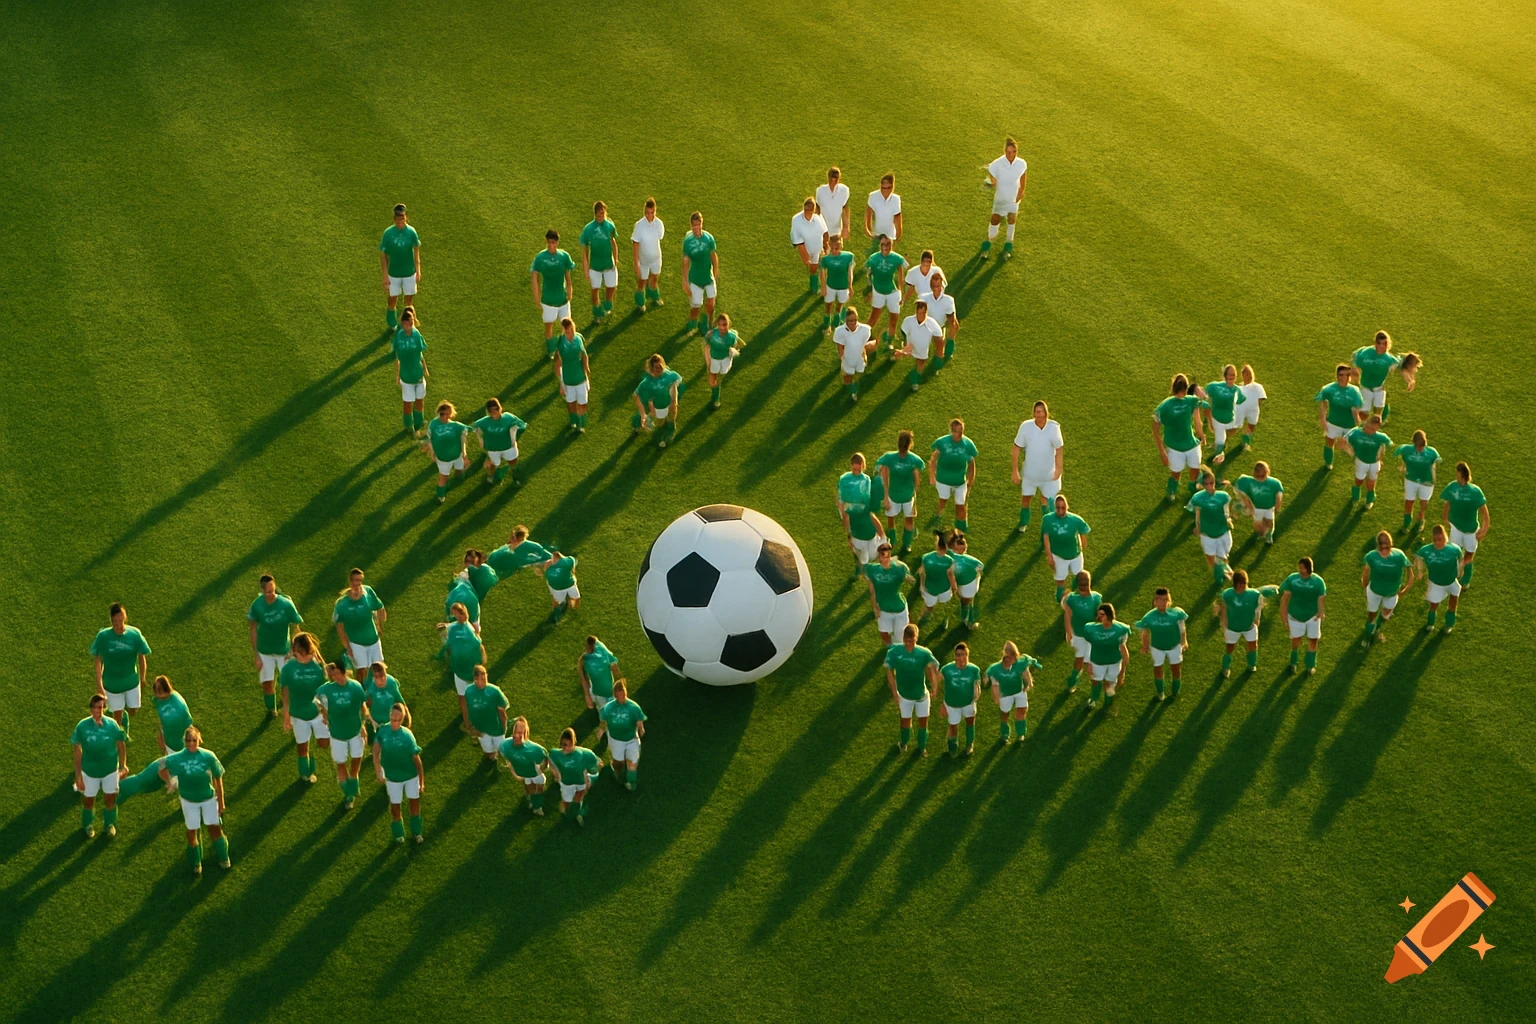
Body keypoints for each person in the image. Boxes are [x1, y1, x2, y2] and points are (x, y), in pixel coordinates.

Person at [163, 727, 228, 873]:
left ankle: (224, 857)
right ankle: (196, 863)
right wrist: (168, 781)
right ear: (184, 742)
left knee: (214, 829)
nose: (191, 744)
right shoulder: (178, 757)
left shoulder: (208, 756)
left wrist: (221, 802)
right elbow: (161, 765)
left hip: (208, 799)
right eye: (188, 741)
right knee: (191, 832)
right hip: (189, 801)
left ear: (199, 740)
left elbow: (218, 779)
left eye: (194, 740)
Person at [90, 602, 150, 741]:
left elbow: (142, 655)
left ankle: (125, 717)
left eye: (121, 621)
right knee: (117, 715)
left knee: (133, 710)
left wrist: (142, 677)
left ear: (125, 618)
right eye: (115, 622)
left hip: (131, 681)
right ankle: (121, 734)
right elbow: (97, 658)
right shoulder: (103, 637)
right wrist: (99, 684)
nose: (118, 625)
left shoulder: (134, 634)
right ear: (111, 621)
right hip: (112, 684)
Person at [73, 694, 127, 839]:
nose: (100, 710)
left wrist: (123, 765)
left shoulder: (112, 725)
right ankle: (88, 824)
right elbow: (77, 751)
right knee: (88, 800)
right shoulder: (82, 727)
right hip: (90, 772)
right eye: (97, 707)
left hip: (110, 770)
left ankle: (109, 824)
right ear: (91, 709)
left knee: (110, 799)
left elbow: (121, 744)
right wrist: (78, 776)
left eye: (102, 707)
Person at [247, 574, 302, 717]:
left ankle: (289, 706)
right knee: (267, 683)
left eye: (272, 591)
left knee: (288, 682)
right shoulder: (257, 605)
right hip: (264, 650)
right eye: (267, 592)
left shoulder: (286, 604)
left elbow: (296, 625)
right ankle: (272, 709)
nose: (271, 594)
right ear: (262, 590)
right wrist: (257, 656)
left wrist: (293, 650)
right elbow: (252, 628)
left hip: (284, 650)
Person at [279, 632, 330, 783]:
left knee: (324, 744)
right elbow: (285, 690)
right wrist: (286, 714)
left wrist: (326, 711)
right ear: (295, 652)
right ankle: (305, 772)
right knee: (302, 747)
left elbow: (324, 690)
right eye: (303, 655)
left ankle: (311, 760)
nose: (307, 658)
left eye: (309, 655)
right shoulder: (288, 668)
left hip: (317, 712)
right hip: (298, 713)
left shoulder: (319, 667)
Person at [317, 662, 367, 809]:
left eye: (338, 674)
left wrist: (363, 724)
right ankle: (348, 794)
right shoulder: (326, 689)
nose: (336, 677)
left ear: (345, 672)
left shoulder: (355, 687)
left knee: (357, 760)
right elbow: (317, 701)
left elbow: (363, 707)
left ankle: (353, 778)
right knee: (340, 763)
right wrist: (323, 713)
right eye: (333, 675)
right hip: (337, 733)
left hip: (355, 730)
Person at [885, 623, 940, 755]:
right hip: (904, 695)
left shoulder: (924, 653)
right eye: (906, 640)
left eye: (911, 640)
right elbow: (889, 672)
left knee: (923, 722)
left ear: (916, 638)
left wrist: (934, 685)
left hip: (921, 695)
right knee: (905, 720)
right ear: (903, 638)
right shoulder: (894, 652)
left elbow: (931, 669)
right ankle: (904, 743)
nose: (908, 643)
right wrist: (894, 693)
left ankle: (922, 746)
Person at [373, 702, 424, 844]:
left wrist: (421, 781)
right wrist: (378, 771)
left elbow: (417, 760)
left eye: (398, 720)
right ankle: (398, 833)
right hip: (392, 777)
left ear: (402, 720)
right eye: (393, 719)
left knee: (414, 803)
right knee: (395, 806)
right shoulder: (382, 732)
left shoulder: (408, 735)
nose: (395, 722)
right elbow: (376, 752)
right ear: (390, 716)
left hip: (410, 776)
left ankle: (417, 832)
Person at [1153, 374, 1207, 500]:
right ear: (1186, 387)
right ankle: (1176, 489)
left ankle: (1184, 488)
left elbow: (1155, 430)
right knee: (1191, 469)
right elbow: (1207, 403)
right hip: (1181, 446)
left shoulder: (1164, 405)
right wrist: (1201, 392)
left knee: (1182, 472)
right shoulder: (1172, 404)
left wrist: (1162, 452)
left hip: (1181, 446)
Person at [1013, 401, 1065, 532]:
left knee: (1049, 501)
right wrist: (1014, 470)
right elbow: (1016, 449)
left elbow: (1059, 449)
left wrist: (1059, 468)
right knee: (1026, 499)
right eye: (1037, 412)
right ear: (1034, 413)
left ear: (1046, 413)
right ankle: (1023, 523)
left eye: (1042, 412)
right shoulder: (1026, 427)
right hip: (1030, 474)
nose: (1040, 414)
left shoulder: (1054, 428)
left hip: (1049, 474)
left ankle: (1050, 526)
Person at [1352, 330, 1421, 425]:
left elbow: (1403, 369)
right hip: (1365, 387)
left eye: (1384, 344)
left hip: (1379, 388)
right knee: (1364, 414)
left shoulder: (1389, 359)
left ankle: (1372, 429)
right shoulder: (1365, 353)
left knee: (1377, 417)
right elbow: (1355, 355)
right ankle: (1354, 420)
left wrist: (1410, 381)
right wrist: (1355, 368)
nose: (1381, 346)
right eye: (1379, 343)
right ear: (1375, 343)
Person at [1217, 570, 1278, 677]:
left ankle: (1252, 664)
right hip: (1232, 627)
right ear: (1235, 584)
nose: (1241, 586)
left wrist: (1257, 619)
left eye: (1243, 583)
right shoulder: (1227, 594)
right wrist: (1223, 623)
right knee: (1230, 648)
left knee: (1253, 645)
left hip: (1249, 626)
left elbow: (1258, 607)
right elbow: (1223, 609)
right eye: (1239, 583)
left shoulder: (1254, 594)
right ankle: (1226, 667)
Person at [1441, 461, 1489, 589]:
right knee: (1454, 553)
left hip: (1471, 531)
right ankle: (1453, 574)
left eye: (1457, 472)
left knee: (1469, 555)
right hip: (1456, 528)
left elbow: (1485, 514)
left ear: (1461, 474)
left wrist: (1483, 530)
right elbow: (1447, 503)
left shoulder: (1475, 491)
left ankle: (1465, 579)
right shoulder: (1452, 487)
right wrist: (1445, 518)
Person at [438, 601, 485, 732]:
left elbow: (450, 645)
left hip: (462, 668)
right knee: (471, 694)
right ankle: (473, 722)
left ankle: (469, 725)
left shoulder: (463, 630)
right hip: (471, 668)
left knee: (464, 697)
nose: (456, 617)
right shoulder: (469, 628)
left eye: (457, 614)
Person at [876, 430, 925, 554]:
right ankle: (892, 540)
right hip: (894, 495)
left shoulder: (913, 460)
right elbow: (884, 474)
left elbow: (917, 480)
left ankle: (906, 543)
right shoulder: (889, 458)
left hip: (907, 495)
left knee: (908, 519)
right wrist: (886, 496)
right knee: (891, 519)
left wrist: (915, 499)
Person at [1135, 588, 1189, 700]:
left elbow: (1182, 628)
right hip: (1157, 648)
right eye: (1160, 600)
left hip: (1174, 646)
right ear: (1155, 601)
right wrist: (1145, 646)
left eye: (1165, 600)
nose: (1163, 603)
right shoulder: (1149, 617)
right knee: (1157, 669)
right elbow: (1145, 632)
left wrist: (1184, 641)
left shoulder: (1177, 613)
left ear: (1169, 600)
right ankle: (1160, 692)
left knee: (1176, 669)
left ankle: (1175, 692)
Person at [1361, 531, 1412, 647]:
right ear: (1378, 545)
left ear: (1391, 544)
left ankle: (1376, 627)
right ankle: (1368, 635)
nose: (1384, 548)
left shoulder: (1399, 556)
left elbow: (1410, 571)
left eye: (1387, 545)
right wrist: (1365, 587)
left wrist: (1406, 588)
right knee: (1371, 615)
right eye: (1381, 545)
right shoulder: (1371, 556)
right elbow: (1365, 573)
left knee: (1386, 614)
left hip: (1392, 594)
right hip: (1374, 591)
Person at [838, 452, 887, 573]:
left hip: (863, 517)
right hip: (852, 516)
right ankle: (859, 568)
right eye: (854, 466)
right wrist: (842, 511)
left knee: (869, 553)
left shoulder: (866, 480)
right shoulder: (845, 479)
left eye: (859, 466)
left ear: (862, 466)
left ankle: (865, 567)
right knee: (859, 550)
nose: (856, 469)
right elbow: (841, 499)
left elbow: (868, 506)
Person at [531, 229, 577, 356]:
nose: (551, 245)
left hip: (562, 298)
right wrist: (536, 297)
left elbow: (567, 274)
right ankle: (551, 349)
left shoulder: (564, 256)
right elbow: (534, 276)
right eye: (549, 242)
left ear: (557, 242)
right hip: (548, 300)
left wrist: (569, 290)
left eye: (553, 242)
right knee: (549, 326)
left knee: (567, 325)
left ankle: (566, 347)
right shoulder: (541, 257)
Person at [1279, 557, 1327, 675]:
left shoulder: (1318, 581)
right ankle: (1293, 662)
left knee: (1313, 640)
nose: (1300, 570)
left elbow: (1321, 598)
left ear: (1309, 568)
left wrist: (1321, 612)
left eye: (1303, 568)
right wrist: (1284, 618)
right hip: (1295, 615)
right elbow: (1285, 599)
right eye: (1299, 567)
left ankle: (1310, 666)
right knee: (1296, 640)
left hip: (1313, 616)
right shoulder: (1292, 579)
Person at [1081, 604, 1132, 715]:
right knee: (1095, 681)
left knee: (1109, 683)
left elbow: (1123, 647)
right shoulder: (1091, 628)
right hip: (1097, 661)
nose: (1099, 617)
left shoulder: (1121, 629)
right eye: (1098, 614)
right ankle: (1094, 699)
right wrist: (1088, 663)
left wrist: (1123, 670)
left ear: (1109, 615)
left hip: (1114, 661)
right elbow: (1089, 645)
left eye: (1102, 615)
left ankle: (1107, 704)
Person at [928, 418, 978, 531]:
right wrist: (932, 475)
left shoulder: (968, 444)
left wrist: (971, 478)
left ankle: (961, 528)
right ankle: (938, 513)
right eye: (956, 431)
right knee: (943, 500)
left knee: (961, 505)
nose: (959, 434)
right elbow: (933, 458)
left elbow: (971, 463)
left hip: (960, 481)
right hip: (943, 479)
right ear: (951, 431)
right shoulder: (942, 442)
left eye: (961, 431)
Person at [333, 568, 386, 672]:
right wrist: (348, 648)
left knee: (380, 668)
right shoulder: (342, 604)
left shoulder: (368, 592)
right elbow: (340, 628)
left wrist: (380, 626)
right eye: (355, 580)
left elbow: (380, 607)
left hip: (373, 639)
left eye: (360, 581)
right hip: (356, 643)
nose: (357, 584)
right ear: (350, 581)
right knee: (361, 671)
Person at [597, 678, 646, 790]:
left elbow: (639, 720)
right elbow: (604, 719)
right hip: (616, 739)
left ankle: (631, 783)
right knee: (618, 763)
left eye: (623, 694)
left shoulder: (633, 707)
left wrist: (641, 728)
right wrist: (601, 729)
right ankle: (617, 773)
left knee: (632, 763)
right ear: (615, 695)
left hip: (631, 739)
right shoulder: (608, 707)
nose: (622, 698)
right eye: (619, 696)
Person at [987, 641, 1041, 743]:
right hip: (1005, 694)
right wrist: (996, 695)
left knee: (1022, 711)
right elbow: (995, 682)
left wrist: (1028, 683)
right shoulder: (998, 668)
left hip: (1019, 691)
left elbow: (1025, 672)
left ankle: (1020, 733)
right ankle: (1005, 732)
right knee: (1005, 714)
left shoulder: (1020, 662)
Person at [1186, 471, 1234, 584]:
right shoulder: (1197, 498)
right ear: (1203, 484)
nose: (1209, 486)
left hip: (1223, 532)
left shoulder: (1223, 496)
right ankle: (1218, 576)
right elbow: (1197, 513)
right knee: (1210, 557)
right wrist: (1197, 528)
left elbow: (1226, 511)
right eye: (1206, 484)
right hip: (1207, 534)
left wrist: (1228, 519)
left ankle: (1225, 572)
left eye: (1211, 483)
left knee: (1223, 557)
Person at [1041, 494, 1091, 602]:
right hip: (1058, 556)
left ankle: (1073, 594)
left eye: (1063, 508)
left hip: (1075, 554)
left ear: (1067, 507)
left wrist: (1082, 548)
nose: (1060, 511)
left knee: (1079, 576)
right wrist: (1049, 556)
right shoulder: (1048, 520)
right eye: (1058, 508)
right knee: (1060, 580)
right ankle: (1060, 599)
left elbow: (1083, 536)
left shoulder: (1075, 519)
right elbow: (1046, 537)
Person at [548, 727, 603, 825]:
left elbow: (595, 761)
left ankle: (576, 813)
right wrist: (555, 773)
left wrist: (597, 764)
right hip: (566, 783)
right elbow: (550, 762)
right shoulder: (555, 754)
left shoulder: (583, 754)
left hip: (580, 781)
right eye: (564, 745)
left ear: (574, 743)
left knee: (579, 796)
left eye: (570, 745)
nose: (567, 748)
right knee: (566, 801)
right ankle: (565, 813)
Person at [1415, 525, 1465, 634]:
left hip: (1452, 581)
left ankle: (1449, 624)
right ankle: (1430, 624)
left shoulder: (1453, 549)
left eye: (1440, 539)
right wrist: (1420, 571)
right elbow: (1418, 556)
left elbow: (1461, 557)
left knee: (1453, 603)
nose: (1438, 542)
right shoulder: (1427, 550)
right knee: (1433, 605)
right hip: (1436, 584)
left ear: (1445, 538)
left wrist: (1461, 569)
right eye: (1435, 540)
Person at [1316, 363, 1366, 470]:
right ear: (1337, 376)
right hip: (1333, 421)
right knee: (1329, 442)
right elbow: (1323, 404)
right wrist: (1323, 419)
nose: (1345, 378)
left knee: (1352, 446)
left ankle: (1359, 461)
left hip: (1349, 424)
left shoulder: (1354, 391)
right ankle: (1328, 463)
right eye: (1341, 375)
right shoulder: (1328, 389)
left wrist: (1357, 420)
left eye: (1347, 375)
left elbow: (1356, 408)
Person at [378, 204, 421, 330]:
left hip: (409, 273)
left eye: (402, 220)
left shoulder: (411, 232)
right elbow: (383, 255)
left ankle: (408, 323)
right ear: (394, 220)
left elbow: (416, 250)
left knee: (408, 302)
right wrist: (385, 276)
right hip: (394, 273)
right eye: (398, 220)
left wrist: (418, 270)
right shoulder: (388, 233)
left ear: (406, 218)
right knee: (392, 301)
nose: (400, 222)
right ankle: (392, 324)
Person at [984, 137, 1027, 258]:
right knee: (995, 219)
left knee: (1012, 219)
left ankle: (1008, 245)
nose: (1011, 155)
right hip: (1001, 199)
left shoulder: (1021, 163)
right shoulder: (997, 164)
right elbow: (992, 175)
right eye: (1008, 152)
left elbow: (1023, 177)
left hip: (1013, 198)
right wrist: (992, 182)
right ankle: (988, 243)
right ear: (1004, 151)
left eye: (1014, 152)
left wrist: (1021, 192)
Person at [498, 717, 551, 815]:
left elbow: (545, 762)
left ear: (525, 734)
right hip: (523, 774)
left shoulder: (535, 750)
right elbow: (508, 760)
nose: (516, 736)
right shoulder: (505, 745)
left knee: (538, 789)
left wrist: (541, 770)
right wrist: (516, 775)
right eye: (515, 732)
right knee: (529, 788)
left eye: (520, 733)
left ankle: (537, 807)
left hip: (535, 773)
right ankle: (532, 800)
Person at [1061, 571, 1102, 692]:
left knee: (1091, 664)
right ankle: (1073, 681)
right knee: (1079, 659)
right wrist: (1068, 631)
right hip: (1078, 635)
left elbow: (1099, 616)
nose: (1085, 586)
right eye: (1082, 583)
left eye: (1086, 583)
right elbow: (1067, 614)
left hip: (1091, 635)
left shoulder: (1096, 598)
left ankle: (1094, 692)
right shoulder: (1072, 598)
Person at [1199, 364, 1248, 466]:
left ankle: (1220, 450)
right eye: (1229, 374)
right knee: (1220, 441)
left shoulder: (1237, 390)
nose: (1231, 377)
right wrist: (1204, 404)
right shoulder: (1215, 386)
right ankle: (1218, 454)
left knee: (1225, 437)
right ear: (1225, 375)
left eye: (1233, 375)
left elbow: (1241, 402)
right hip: (1217, 419)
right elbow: (1204, 395)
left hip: (1231, 419)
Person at [864, 234, 907, 348]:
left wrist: (901, 292)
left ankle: (890, 342)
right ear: (880, 245)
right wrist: (869, 290)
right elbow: (868, 274)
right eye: (883, 244)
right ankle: (863, 337)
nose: (886, 247)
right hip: (878, 291)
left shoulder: (897, 258)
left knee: (894, 319)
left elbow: (901, 276)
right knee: (874, 317)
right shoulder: (873, 258)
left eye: (888, 244)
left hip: (892, 292)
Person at [579, 200, 620, 321]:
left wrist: (616, 259)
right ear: (595, 214)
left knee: (612, 287)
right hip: (595, 266)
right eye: (598, 214)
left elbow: (613, 243)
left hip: (609, 264)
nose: (600, 216)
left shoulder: (610, 226)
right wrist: (585, 268)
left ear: (605, 212)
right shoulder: (588, 229)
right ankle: (597, 313)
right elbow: (585, 250)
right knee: (594, 290)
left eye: (602, 213)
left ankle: (607, 303)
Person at [632, 353, 684, 448]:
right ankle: (640, 422)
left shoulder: (671, 375)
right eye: (655, 367)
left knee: (671, 416)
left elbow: (674, 386)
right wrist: (644, 414)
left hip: (669, 402)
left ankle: (670, 432)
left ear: (663, 364)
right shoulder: (648, 381)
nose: (658, 369)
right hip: (658, 405)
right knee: (660, 423)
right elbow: (636, 395)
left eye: (660, 366)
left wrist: (674, 401)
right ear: (652, 368)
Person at [939, 642, 982, 757]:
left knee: (970, 722)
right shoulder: (946, 669)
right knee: (953, 726)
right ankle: (952, 745)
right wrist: (942, 704)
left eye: (964, 654)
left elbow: (977, 684)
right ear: (954, 656)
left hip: (969, 703)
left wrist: (977, 692)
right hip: (952, 704)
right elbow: (936, 683)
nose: (961, 658)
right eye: (958, 655)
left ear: (968, 655)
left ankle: (969, 744)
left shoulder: (974, 669)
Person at [865, 543, 911, 645]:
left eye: (885, 556)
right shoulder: (872, 570)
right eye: (880, 556)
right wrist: (874, 607)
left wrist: (908, 577)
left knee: (899, 640)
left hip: (899, 609)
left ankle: (897, 652)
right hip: (883, 609)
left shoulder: (900, 568)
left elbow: (911, 579)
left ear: (890, 555)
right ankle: (891, 649)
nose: (882, 560)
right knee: (884, 635)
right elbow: (872, 590)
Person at [1394, 429, 1441, 532]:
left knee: (1424, 502)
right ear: (1414, 443)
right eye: (1418, 446)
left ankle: (1420, 519)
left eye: (1422, 446)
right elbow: (1401, 454)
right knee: (1409, 501)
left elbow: (1435, 465)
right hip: (1411, 479)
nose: (1420, 449)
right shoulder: (1406, 449)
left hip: (1426, 482)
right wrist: (1402, 466)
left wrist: (1433, 478)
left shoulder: (1432, 453)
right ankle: (1406, 523)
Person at [392, 306, 429, 437]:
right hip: (406, 376)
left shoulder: (416, 334)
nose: (409, 326)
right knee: (408, 403)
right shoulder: (399, 337)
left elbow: (420, 353)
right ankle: (409, 425)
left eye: (411, 323)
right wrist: (397, 375)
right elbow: (397, 357)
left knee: (420, 400)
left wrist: (425, 368)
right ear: (402, 323)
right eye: (407, 324)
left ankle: (419, 422)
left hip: (418, 375)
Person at [474, 397, 528, 484]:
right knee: (494, 464)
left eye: (497, 409)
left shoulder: (508, 417)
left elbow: (522, 425)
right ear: (488, 412)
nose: (495, 412)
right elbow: (476, 427)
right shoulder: (484, 422)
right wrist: (481, 440)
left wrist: (514, 435)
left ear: (500, 408)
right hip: (493, 448)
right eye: (492, 410)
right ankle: (491, 476)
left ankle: (514, 475)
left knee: (513, 461)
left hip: (509, 446)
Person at [680, 211, 718, 335]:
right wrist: (684, 281)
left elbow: (713, 255)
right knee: (696, 306)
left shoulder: (708, 238)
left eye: (699, 224)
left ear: (702, 223)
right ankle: (692, 322)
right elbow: (685, 262)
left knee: (711, 303)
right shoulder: (688, 242)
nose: (697, 228)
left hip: (708, 276)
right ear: (691, 226)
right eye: (694, 225)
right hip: (695, 279)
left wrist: (716, 270)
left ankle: (708, 323)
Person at [424, 400, 469, 503]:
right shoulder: (433, 425)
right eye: (442, 414)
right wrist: (432, 453)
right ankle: (440, 495)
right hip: (443, 458)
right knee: (443, 477)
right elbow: (429, 439)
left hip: (457, 455)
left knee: (460, 469)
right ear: (439, 413)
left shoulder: (456, 426)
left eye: (447, 414)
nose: (445, 416)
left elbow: (463, 439)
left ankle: (458, 477)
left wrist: (464, 455)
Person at [552, 316, 592, 433]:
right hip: (568, 379)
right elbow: (558, 364)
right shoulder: (560, 342)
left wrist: (586, 368)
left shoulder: (579, 338)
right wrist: (561, 384)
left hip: (580, 378)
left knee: (583, 403)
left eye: (571, 329)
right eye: (567, 330)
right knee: (571, 404)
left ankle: (581, 424)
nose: (570, 332)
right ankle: (574, 421)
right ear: (563, 330)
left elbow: (584, 354)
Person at [1345, 414, 1393, 508]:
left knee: (1371, 482)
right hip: (1361, 461)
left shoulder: (1381, 437)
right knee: (1359, 480)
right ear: (1366, 422)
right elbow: (1344, 441)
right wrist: (1350, 451)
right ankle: (1355, 496)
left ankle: (1369, 500)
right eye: (1367, 426)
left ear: (1377, 428)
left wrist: (1380, 460)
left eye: (1372, 429)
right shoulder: (1356, 432)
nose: (1368, 430)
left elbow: (1382, 448)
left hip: (1374, 463)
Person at [464, 665, 509, 763]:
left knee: (503, 751)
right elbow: (467, 708)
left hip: (496, 728)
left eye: (485, 678)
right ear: (475, 679)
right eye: (482, 679)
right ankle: (491, 755)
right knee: (488, 752)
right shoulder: (468, 691)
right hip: (480, 728)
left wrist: (504, 726)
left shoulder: (494, 691)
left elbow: (502, 710)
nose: (485, 681)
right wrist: (470, 727)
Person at [894, 301, 943, 393]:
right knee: (899, 354)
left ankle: (914, 381)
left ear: (926, 312)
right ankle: (891, 356)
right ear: (916, 312)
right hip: (911, 345)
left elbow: (939, 336)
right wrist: (905, 344)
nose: (921, 315)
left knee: (920, 362)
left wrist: (939, 346)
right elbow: (903, 332)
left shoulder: (932, 323)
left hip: (922, 349)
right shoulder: (908, 320)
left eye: (923, 313)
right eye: (919, 313)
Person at [1233, 461, 1284, 545]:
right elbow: (1243, 495)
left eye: (1262, 476)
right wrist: (1249, 506)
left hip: (1269, 507)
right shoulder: (1249, 481)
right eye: (1257, 476)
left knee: (1270, 522)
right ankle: (1261, 535)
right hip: (1256, 507)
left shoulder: (1274, 482)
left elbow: (1278, 493)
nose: (1260, 478)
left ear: (1267, 472)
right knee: (1257, 525)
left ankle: (1269, 536)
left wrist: (1278, 504)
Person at [834, 306, 876, 402]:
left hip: (860, 359)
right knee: (848, 378)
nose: (852, 323)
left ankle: (854, 391)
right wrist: (842, 359)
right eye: (849, 321)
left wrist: (865, 352)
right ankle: (850, 389)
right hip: (847, 359)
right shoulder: (840, 331)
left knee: (858, 375)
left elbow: (865, 343)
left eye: (854, 320)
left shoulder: (865, 329)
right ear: (845, 320)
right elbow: (840, 346)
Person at [702, 312, 744, 408]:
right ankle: (716, 398)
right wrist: (708, 361)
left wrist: (734, 351)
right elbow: (706, 346)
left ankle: (716, 395)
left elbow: (736, 345)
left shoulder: (732, 337)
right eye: (719, 325)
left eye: (724, 325)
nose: (722, 328)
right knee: (712, 381)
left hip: (726, 359)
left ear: (728, 324)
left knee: (721, 376)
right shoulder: (712, 334)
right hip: (714, 359)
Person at [917, 531, 958, 629]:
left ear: (936, 545)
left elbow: (922, 572)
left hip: (929, 587)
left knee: (929, 606)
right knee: (944, 604)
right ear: (947, 547)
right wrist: (954, 587)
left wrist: (921, 585)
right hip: (944, 588)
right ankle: (945, 620)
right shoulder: (949, 560)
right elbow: (950, 575)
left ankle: (923, 618)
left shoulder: (926, 557)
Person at [631, 198, 666, 312]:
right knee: (642, 282)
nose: (650, 216)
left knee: (654, 278)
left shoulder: (659, 224)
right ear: (644, 212)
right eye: (647, 213)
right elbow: (635, 244)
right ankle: (640, 302)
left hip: (656, 258)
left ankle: (654, 295)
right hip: (644, 261)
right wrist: (636, 263)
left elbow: (659, 238)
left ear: (655, 211)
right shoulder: (639, 225)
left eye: (652, 213)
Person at [790, 196, 829, 295]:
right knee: (812, 267)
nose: (808, 212)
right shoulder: (796, 220)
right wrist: (805, 257)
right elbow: (798, 242)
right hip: (807, 248)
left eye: (811, 210)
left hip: (818, 249)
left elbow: (825, 232)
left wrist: (825, 245)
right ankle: (814, 285)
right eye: (807, 209)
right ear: (804, 208)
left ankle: (817, 288)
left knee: (816, 267)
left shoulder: (818, 218)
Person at [151, 675, 193, 763]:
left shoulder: (179, 705)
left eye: (159, 691)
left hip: (180, 744)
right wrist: (161, 736)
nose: (157, 695)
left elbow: (189, 725)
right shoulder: (159, 700)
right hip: (168, 741)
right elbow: (161, 719)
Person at [818, 233, 856, 332]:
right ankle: (827, 325)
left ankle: (836, 322)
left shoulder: (848, 256)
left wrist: (850, 287)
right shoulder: (826, 259)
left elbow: (850, 272)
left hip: (843, 287)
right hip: (830, 286)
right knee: (828, 305)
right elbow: (822, 273)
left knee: (840, 305)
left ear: (841, 246)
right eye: (833, 248)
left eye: (837, 248)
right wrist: (823, 287)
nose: (835, 250)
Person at [364, 661, 410, 742]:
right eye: (376, 677)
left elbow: (399, 700)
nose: (380, 680)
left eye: (382, 676)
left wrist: (407, 717)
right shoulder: (371, 688)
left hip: (390, 720)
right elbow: (363, 705)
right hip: (375, 720)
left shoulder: (391, 682)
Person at [486, 525, 552, 580]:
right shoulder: (509, 547)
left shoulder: (530, 546)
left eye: (513, 537)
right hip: (497, 563)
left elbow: (544, 554)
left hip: (505, 566)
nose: (511, 538)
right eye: (511, 536)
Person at [949, 532, 985, 630]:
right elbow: (980, 566)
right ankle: (969, 622)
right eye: (958, 548)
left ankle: (964, 618)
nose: (960, 551)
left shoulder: (947, 554)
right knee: (968, 601)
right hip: (969, 583)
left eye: (962, 548)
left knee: (965, 600)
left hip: (959, 582)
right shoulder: (967, 559)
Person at [924, 273, 960, 366]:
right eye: (934, 286)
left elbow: (951, 318)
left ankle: (947, 351)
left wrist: (952, 325)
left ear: (942, 285)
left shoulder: (948, 300)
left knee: (955, 327)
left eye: (938, 285)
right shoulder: (924, 298)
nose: (936, 288)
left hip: (940, 326)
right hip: (927, 326)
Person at [578, 635, 621, 713]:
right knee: (603, 712)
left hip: (611, 690)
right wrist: (587, 696)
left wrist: (620, 686)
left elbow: (615, 668)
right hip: (599, 692)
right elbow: (583, 678)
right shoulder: (584, 659)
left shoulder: (604, 652)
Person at [864, 172, 903, 248]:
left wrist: (897, 236)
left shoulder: (896, 199)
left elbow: (898, 218)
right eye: (883, 188)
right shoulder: (873, 196)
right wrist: (869, 230)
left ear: (892, 187)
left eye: (888, 188)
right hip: (877, 235)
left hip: (890, 236)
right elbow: (868, 214)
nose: (885, 190)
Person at [542, 550, 580, 621]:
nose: (552, 561)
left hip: (568, 585)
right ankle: (557, 613)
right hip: (558, 588)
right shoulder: (568, 561)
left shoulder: (550, 568)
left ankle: (571, 606)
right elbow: (572, 561)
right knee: (557, 601)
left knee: (576, 597)